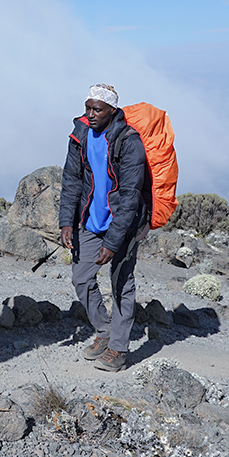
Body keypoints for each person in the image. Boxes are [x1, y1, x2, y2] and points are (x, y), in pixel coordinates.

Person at [58, 85, 148, 372]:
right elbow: (71, 180)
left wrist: (112, 242)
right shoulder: (80, 136)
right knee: (81, 278)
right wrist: (66, 222)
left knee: (121, 282)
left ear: (112, 111)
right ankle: (104, 330)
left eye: (97, 109)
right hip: (90, 220)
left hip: (124, 224)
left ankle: (119, 349)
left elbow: (131, 195)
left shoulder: (128, 141)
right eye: (88, 108)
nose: (91, 114)